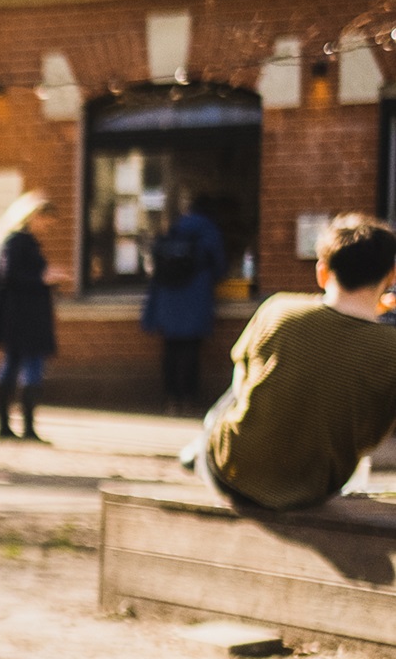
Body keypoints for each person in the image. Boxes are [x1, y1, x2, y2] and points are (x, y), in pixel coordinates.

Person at [198, 213, 396, 511]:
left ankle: (195, 452)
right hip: (314, 488)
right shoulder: (389, 346)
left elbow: (241, 385)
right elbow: (372, 438)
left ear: (322, 272)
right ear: (392, 275)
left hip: (231, 474)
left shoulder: (279, 309)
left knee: (238, 385)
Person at [0, 191, 59, 443]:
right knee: (27, 367)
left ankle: (10, 426)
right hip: (23, 317)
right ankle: (19, 427)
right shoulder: (16, 242)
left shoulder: (17, 241)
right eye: (46, 221)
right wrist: (43, 279)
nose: (48, 227)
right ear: (34, 216)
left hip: (21, 316)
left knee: (14, 365)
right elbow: (10, 277)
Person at [141, 201, 226, 413]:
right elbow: (219, 267)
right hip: (196, 298)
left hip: (168, 300)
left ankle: (172, 399)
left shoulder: (172, 230)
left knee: (171, 349)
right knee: (191, 351)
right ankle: (188, 398)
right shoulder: (208, 232)